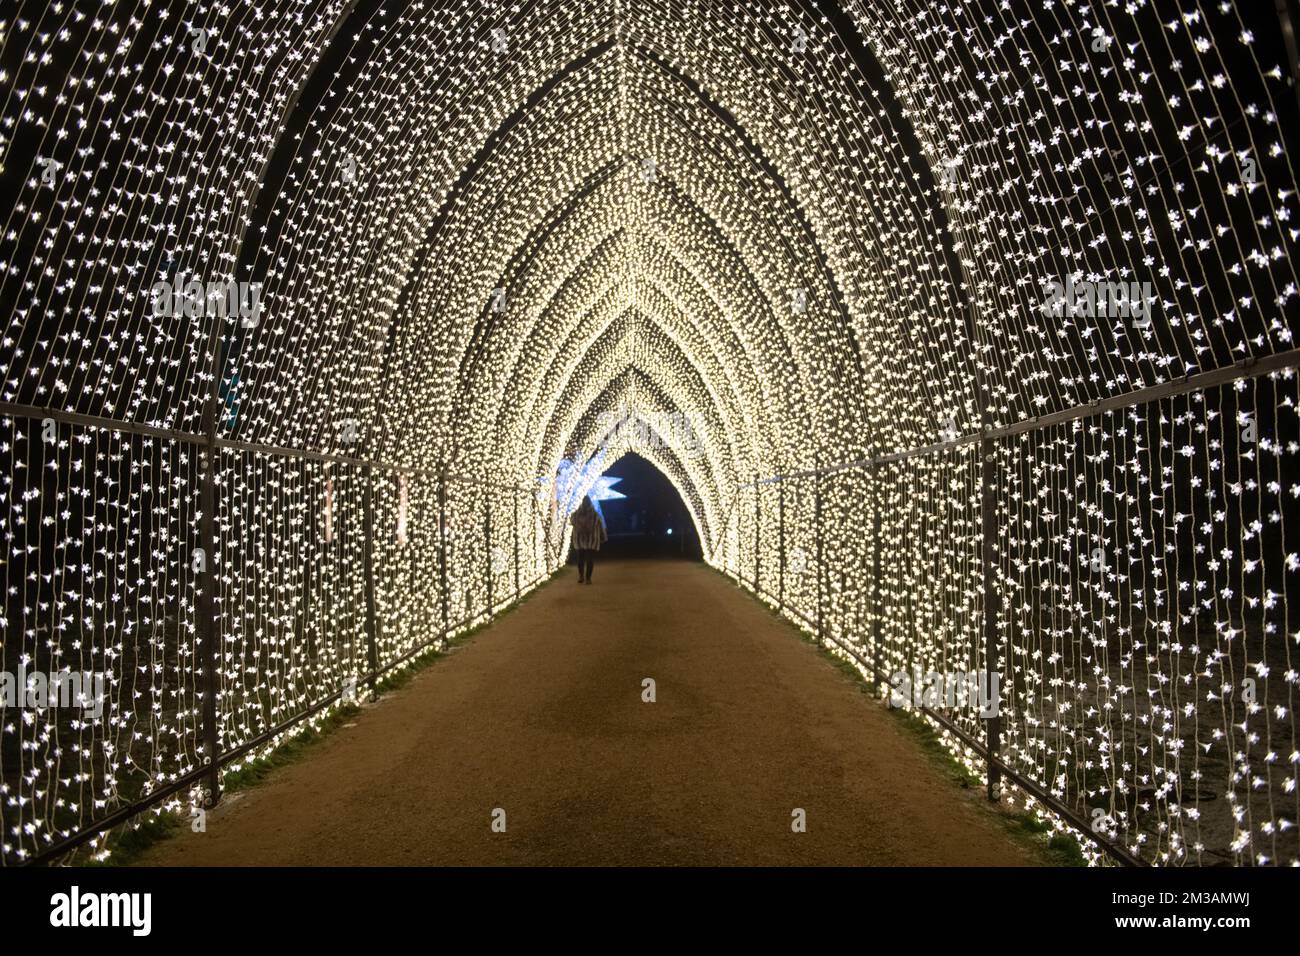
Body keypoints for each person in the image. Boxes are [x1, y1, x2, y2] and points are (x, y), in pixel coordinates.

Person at [569, 495, 607, 584]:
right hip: (592, 539)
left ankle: (581, 576)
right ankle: (588, 578)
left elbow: (571, 522)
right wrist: (603, 536)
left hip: (579, 538)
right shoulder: (595, 515)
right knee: (590, 559)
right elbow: (601, 526)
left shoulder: (576, 514)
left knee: (580, 558)